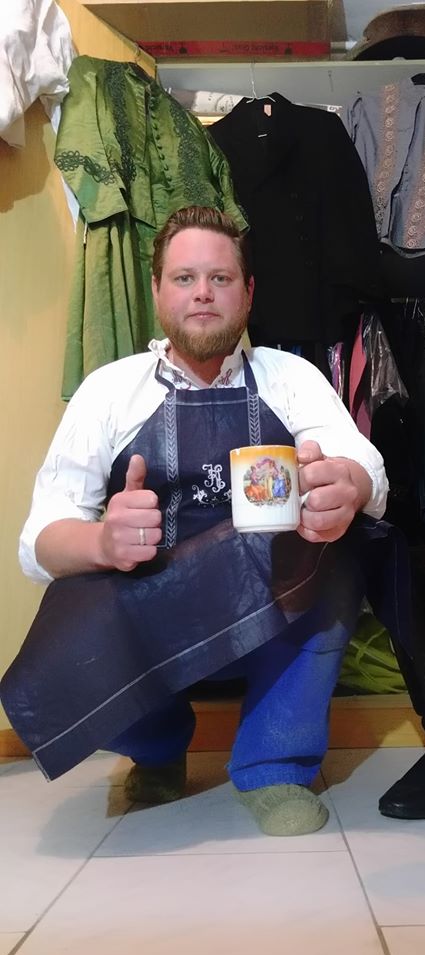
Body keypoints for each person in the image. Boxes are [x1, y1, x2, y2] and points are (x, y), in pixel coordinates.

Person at [2, 206, 392, 837]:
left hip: (268, 612)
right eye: (185, 278)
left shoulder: (291, 377)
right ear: (157, 290)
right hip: (155, 618)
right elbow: (40, 539)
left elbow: (365, 467)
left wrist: (347, 484)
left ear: (248, 293)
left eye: (221, 278)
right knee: (71, 609)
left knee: (340, 558)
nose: (203, 292)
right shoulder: (109, 391)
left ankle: (274, 766)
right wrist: (101, 540)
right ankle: (157, 746)